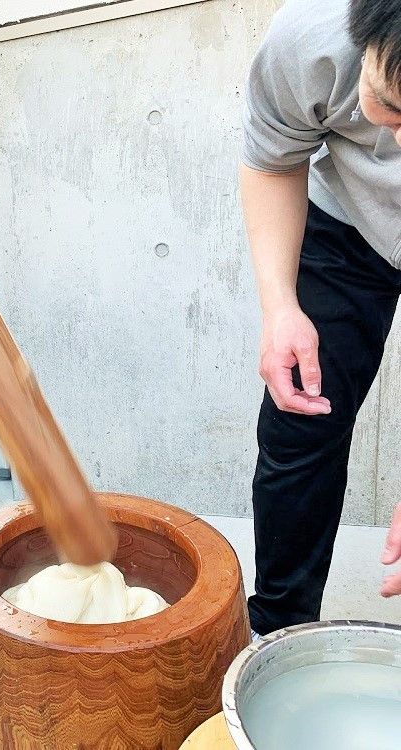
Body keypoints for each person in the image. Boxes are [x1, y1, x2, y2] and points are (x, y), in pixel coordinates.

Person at [241, 0, 401, 635]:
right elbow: (273, 163)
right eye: (391, 106)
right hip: (348, 230)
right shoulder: (308, 38)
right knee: (302, 417)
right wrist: (280, 306)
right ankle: (276, 632)